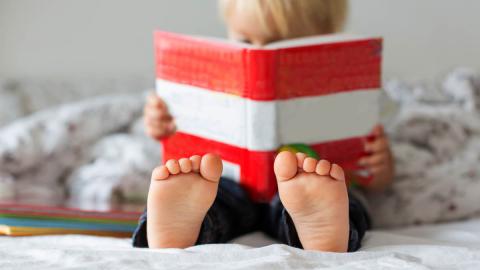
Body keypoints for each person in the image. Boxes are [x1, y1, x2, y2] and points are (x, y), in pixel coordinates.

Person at [133, 0, 394, 252]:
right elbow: (173, 127)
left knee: (338, 198)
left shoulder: (362, 92)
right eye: (246, 41)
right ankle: (179, 226)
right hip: (227, 181)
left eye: (281, 44)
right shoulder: (211, 81)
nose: (259, 52)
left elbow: (375, 172)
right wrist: (159, 123)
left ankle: (321, 228)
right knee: (211, 199)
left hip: (308, 185)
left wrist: (381, 167)